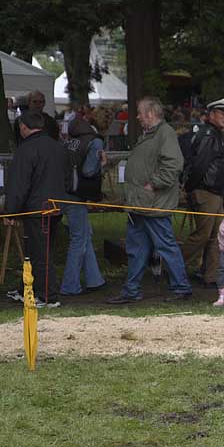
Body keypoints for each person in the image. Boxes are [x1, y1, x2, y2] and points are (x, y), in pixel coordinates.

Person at [106, 97, 192, 304]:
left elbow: (173, 165)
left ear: (150, 114)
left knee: (165, 246)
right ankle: (132, 290)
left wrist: (153, 184)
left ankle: (181, 287)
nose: (137, 117)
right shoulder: (150, 135)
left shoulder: (165, 134)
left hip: (153, 204)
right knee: (136, 250)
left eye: (139, 113)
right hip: (141, 205)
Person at [3, 110, 68, 306]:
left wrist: (10, 212)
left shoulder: (26, 149)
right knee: (34, 252)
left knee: (40, 254)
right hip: (55, 207)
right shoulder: (58, 147)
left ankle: (48, 296)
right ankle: (27, 289)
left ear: (23, 127)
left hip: (37, 210)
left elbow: (18, 183)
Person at [181, 97, 224, 288]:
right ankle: (171, 265)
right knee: (202, 236)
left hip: (214, 192)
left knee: (216, 237)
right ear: (211, 115)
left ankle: (211, 277)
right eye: (222, 113)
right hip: (206, 192)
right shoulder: (209, 136)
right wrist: (192, 190)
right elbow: (199, 166)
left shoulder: (213, 134)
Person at [59, 117, 107, 297]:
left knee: (85, 235)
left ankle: (95, 280)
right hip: (78, 195)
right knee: (78, 239)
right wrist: (102, 164)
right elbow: (88, 170)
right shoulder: (95, 142)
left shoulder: (68, 143)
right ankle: (69, 286)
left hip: (63, 192)